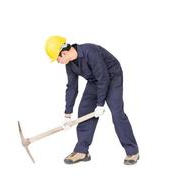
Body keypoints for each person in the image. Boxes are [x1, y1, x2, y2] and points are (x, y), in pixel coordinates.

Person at [45, 35, 139, 165]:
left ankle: (132, 151)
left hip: (112, 76)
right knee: (84, 111)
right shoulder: (69, 65)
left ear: (64, 52)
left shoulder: (90, 51)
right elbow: (72, 87)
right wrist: (67, 114)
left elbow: (104, 78)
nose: (57, 61)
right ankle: (82, 151)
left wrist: (100, 104)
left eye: (57, 59)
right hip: (95, 80)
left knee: (117, 113)